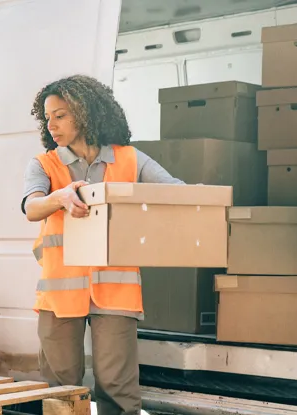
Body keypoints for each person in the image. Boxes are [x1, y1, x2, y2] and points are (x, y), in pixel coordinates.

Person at [21, 74, 183, 415]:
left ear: (86, 113)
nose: (51, 124)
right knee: (62, 390)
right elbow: (31, 207)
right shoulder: (45, 164)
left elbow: (173, 191)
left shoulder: (129, 159)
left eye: (60, 115)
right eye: (47, 117)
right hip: (60, 294)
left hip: (115, 289)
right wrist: (60, 196)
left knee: (118, 388)